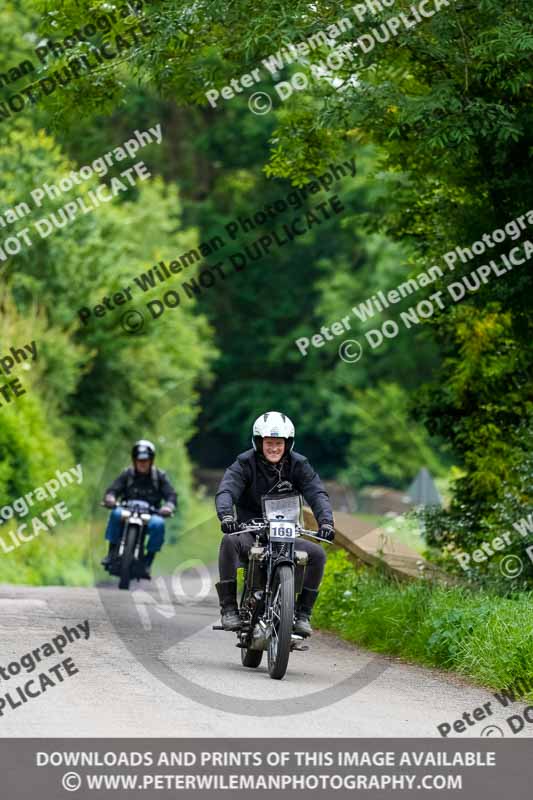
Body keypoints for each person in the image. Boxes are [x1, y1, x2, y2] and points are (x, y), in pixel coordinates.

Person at [215, 412, 335, 637]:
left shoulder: (299, 465)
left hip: (287, 532)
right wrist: (227, 517)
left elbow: (317, 493)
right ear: (259, 443)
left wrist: (326, 522)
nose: (274, 448)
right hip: (252, 530)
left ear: (287, 444)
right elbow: (227, 490)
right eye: (269, 443)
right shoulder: (244, 463)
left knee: (317, 554)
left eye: (278, 443)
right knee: (229, 541)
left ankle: (302, 615)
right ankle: (229, 608)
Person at [101, 439, 177, 577]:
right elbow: (113, 490)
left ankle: (148, 561)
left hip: (151, 514)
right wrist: (110, 498)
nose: (142, 463)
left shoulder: (159, 477)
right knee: (115, 514)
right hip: (126, 510)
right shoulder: (127, 474)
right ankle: (111, 553)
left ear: (151, 460)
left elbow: (171, 495)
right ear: (134, 460)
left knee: (159, 524)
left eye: (146, 460)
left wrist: (168, 507)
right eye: (139, 460)